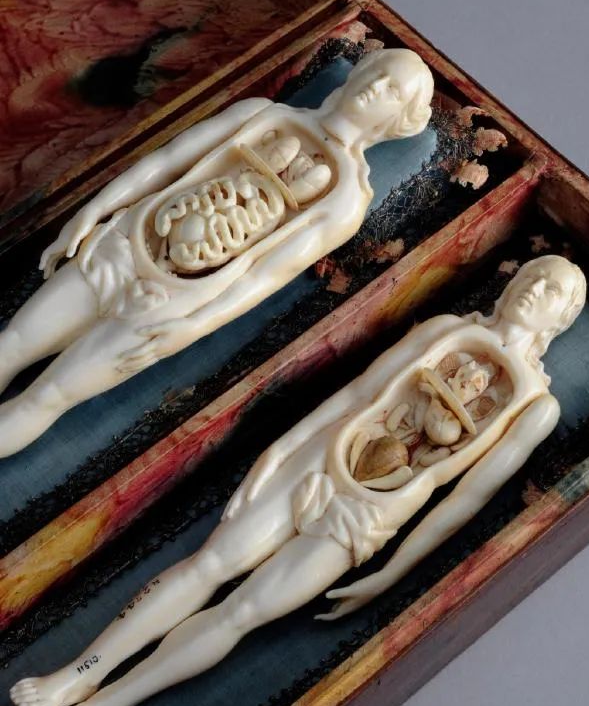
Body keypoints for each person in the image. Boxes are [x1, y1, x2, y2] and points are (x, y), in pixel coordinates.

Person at [10, 255, 586, 706]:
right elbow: (359, 394)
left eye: (553, 290)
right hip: (317, 463)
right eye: (534, 275)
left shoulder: (536, 406)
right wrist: (279, 451)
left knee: (240, 614)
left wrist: (392, 570)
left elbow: (465, 499)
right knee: (207, 565)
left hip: (365, 520)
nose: (535, 288)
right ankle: (77, 674)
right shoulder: (446, 330)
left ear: (561, 319)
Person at [0, 49, 434, 457]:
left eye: (392, 90)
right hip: (126, 246)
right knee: (12, 343)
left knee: (49, 396)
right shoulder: (260, 114)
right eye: (377, 72)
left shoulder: (346, 200)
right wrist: (94, 211)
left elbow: (262, 276)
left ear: (398, 120)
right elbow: (166, 162)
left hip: (169, 308)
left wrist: (191, 326)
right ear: (360, 70)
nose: (375, 86)